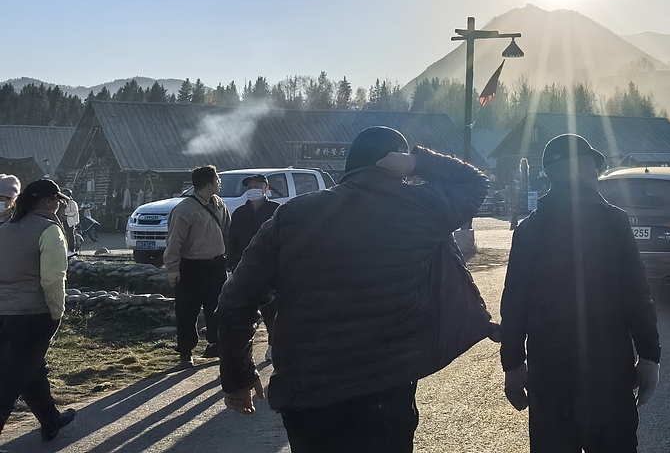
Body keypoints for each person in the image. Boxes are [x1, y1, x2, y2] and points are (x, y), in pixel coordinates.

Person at [219, 127, 491, 453]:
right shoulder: (422, 210)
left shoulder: (293, 214)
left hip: (309, 394)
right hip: (387, 389)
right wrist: (418, 162)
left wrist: (238, 377)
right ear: (396, 166)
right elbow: (475, 183)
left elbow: (236, 300)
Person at [501, 133, 660, 452]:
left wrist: (514, 366)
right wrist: (649, 356)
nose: (597, 174)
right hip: (609, 376)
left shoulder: (527, 231)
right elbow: (637, 295)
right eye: (593, 167)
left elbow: (514, 306)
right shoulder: (613, 222)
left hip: (549, 378)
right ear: (578, 170)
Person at [0, 179, 76, 443]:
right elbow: (53, 279)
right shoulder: (49, 230)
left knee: (29, 367)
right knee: (11, 379)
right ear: (47, 202)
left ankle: (50, 419)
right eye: (58, 201)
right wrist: (57, 312)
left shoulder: (5, 228)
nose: (59, 206)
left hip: (3, 313)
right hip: (33, 314)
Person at [165, 165, 231, 365]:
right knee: (187, 310)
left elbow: (227, 230)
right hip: (191, 266)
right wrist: (173, 269)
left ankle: (215, 345)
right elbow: (174, 241)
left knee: (217, 308)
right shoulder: (185, 209)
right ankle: (186, 351)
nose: (220, 182)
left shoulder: (219, 204)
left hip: (216, 265)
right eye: (217, 179)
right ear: (208, 184)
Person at [226, 174, 279, 362]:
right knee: (243, 312)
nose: (252, 189)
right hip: (245, 269)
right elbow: (231, 241)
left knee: (272, 311)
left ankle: (273, 344)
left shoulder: (277, 211)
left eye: (257, 186)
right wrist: (232, 264)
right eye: (249, 187)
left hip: (271, 270)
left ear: (266, 189)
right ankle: (242, 353)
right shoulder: (240, 213)